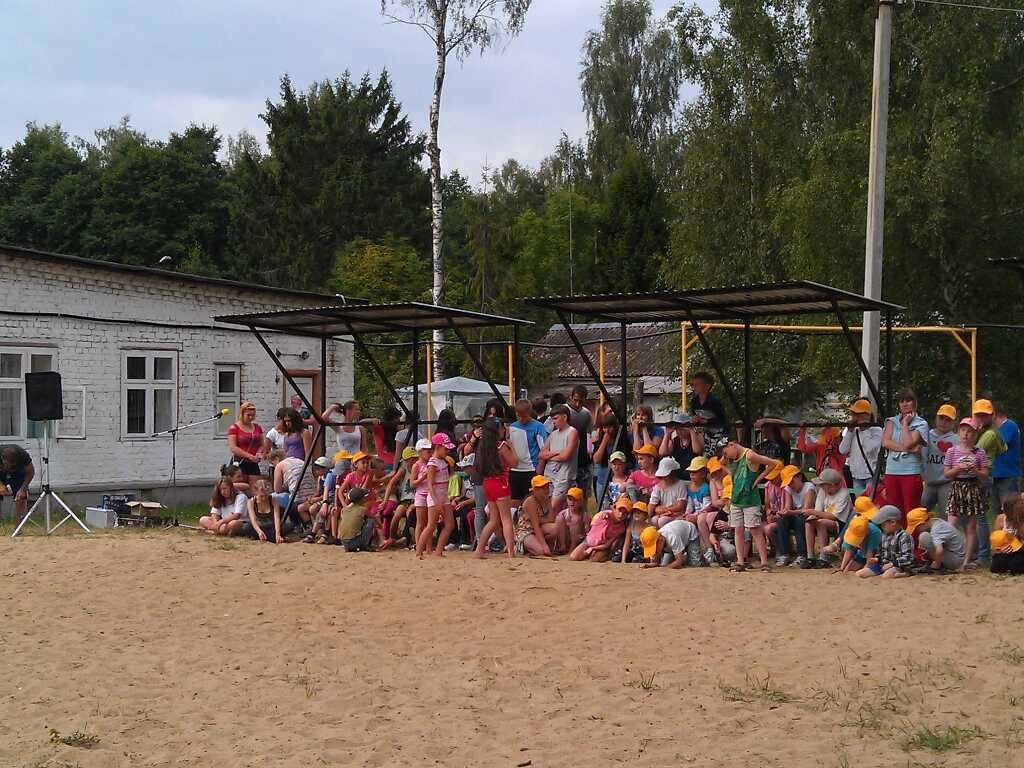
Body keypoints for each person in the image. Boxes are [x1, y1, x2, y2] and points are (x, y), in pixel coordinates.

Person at [720, 441, 778, 572]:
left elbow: (772, 463)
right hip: (736, 499)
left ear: (732, 445)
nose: (726, 456)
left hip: (750, 500)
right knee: (738, 530)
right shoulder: (732, 458)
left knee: (755, 530)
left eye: (726, 452)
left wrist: (758, 479)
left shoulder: (749, 455)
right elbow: (721, 463)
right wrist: (728, 465)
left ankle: (764, 562)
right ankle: (740, 561)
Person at [944, 417, 989, 570]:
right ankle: (949, 557)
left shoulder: (979, 452)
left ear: (975, 435)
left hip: (972, 487)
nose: (966, 434)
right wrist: (957, 469)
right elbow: (946, 474)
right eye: (963, 430)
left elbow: (985, 474)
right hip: (956, 487)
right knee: (951, 525)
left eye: (970, 431)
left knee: (971, 528)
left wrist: (975, 470)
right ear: (958, 432)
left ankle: (966, 561)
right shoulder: (952, 451)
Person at [881, 388, 929, 524]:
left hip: (911, 472)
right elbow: (885, 442)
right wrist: (910, 449)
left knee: (911, 513)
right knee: (893, 512)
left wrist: (905, 424)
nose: (905, 404)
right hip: (892, 471)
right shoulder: (891, 421)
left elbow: (908, 442)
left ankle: (913, 543)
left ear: (914, 403)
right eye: (901, 401)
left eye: (908, 400)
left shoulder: (921, 423)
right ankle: (896, 543)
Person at [473, 419, 519, 560]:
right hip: (500, 482)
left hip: (487, 483)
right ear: (496, 430)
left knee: (493, 520)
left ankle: (479, 549)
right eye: (502, 428)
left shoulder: (483, 446)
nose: (504, 431)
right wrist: (513, 448)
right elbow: (514, 462)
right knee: (506, 519)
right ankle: (511, 552)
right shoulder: (501, 446)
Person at [973, 398, 1007, 564]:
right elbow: (1003, 448)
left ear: (991, 415)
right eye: (978, 415)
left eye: (984, 415)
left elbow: (973, 452)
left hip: (981, 476)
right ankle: (980, 553)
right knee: (976, 516)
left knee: (979, 517)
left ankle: (983, 555)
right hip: (985, 475)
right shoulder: (994, 432)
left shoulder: (989, 434)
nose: (980, 418)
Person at [417, 432, 457, 558]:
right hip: (435, 497)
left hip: (443, 496)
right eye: (445, 449)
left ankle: (439, 550)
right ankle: (419, 551)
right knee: (431, 525)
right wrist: (436, 502)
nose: (447, 451)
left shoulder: (442, 461)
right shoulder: (433, 463)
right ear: (438, 447)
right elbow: (430, 485)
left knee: (450, 524)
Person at [804, 467, 853, 569]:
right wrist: (812, 516)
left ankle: (824, 557)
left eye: (823, 485)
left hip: (840, 524)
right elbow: (818, 510)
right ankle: (810, 557)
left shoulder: (844, 494)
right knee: (809, 523)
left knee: (821, 522)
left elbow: (834, 516)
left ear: (832, 485)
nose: (821, 487)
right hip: (823, 518)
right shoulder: (822, 492)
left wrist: (813, 512)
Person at [538, 405, 579, 513]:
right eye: (552, 419)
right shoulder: (552, 434)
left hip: (563, 476)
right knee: (546, 505)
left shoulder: (572, 432)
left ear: (564, 417)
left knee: (553, 507)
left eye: (555, 418)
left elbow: (566, 456)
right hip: (549, 474)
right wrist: (556, 452)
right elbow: (541, 454)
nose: (553, 422)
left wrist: (550, 455)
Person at [839, 399, 883, 494]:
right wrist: (849, 431)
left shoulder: (877, 430)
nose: (855, 417)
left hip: (870, 476)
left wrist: (865, 428)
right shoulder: (853, 431)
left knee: (871, 505)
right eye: (854, 413)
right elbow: (843, 450)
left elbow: (869, 449)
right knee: (860, 505)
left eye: (857, 414)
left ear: (867, 415)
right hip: (856, 476)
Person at [922, 404, 958, 517]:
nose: (944, 422)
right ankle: (922, 534)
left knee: (945, 515)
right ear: (936, 418)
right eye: (941, 418)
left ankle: (944, 534)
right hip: (929, 482)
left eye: (948, 420)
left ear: (953, 423)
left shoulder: (956, 440)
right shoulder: (926, 435)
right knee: (921, 512)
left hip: (947, 482)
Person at [570, 496, 629, 562]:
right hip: (588, 541)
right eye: (619, 511)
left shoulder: (621, 528)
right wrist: (603, 514)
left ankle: (605, 555)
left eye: (624, 513)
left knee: (594, 560)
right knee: (573, 558)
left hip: (602, 547)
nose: (620, 515)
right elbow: (603, 514)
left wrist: (593, 548)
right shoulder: (605, 514)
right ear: (614, 508)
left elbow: (607, 544)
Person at [508, 400, 545, 504]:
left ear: (529, 413)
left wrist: (538, 469)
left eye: (524, 416)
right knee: (514, 501)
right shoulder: (512, 427)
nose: (521, 419)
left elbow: (543, 450)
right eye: (518, 416)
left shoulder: (538, 427)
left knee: (531, 501)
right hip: (515, 471)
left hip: (531, 469)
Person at [907, 507, 965, 572]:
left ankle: (938, 565)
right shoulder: (936, 522)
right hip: (955, 555)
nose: (916, 530)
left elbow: (939, 550)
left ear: (922, 523)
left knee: (924, 537)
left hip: (954, 560)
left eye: (916, 527)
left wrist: (936, 564)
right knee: (926, 537)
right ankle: (934, 561)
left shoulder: (936, 530)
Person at [512, 476, 555, 556]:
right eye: (543, 488)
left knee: (555, 528)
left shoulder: (547, 499)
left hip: (537, 527)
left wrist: (538, 520)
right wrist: (544, 546)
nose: (546, 490)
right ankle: (523, 545)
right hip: (525, 531)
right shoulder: (531, 501)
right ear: (535, 490)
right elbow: (536, 526)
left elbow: (552, 518)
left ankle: (537, 544)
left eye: (547, 487)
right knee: (541, 551)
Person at [778, 465, 810, 568]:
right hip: (795, 514)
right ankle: (784, 553)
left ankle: (802, 554)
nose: (790, 485)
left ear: (799, 477)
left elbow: (806, 509)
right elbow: (788, 506)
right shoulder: (788, 489)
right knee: (782, 520)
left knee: (799, 520)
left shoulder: (809, 487)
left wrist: (790, 512)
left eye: (792, 481)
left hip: (808, 516)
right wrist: (784, 512)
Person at [871, 505, 915, 579]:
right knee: (861, 573)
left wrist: (892, 564)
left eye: (882, 524)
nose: (881, 527)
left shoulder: (904, 536)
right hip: (884, 564)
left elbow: (908, 557)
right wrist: (877, 559)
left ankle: (906, 574)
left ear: (893, 522)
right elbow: (882, 553)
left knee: (886, 576)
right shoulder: (884, 535)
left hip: (900, 565)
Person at [566, 385, 594, 500]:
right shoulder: (563, 410)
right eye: (575, 400)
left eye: (581, 401)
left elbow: (590, 433)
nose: (577, 404)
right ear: (571, 397)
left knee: (583, 493)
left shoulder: (586, 414)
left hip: (582, 458)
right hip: (566, 459)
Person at [198, 472, 247, 536]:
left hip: (239, 521)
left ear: (230, 487)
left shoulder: (241, 497)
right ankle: (219, 531)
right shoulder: (220, 498)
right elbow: (214, 513)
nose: (223, 492)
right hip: (223, 523)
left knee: (233, 524)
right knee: (203, 519)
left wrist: (220, 523)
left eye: (225, 489)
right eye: (220, 489)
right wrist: (216, 524)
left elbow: (237, 515)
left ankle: (214, 531)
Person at [592, 412, 629, 497]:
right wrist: (604, 441)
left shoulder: (622, 440)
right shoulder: (600, 439)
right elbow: (596, 460)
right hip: (603, 478)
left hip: (618, 478)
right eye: (605, 427)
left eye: (610, 427)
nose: (607, 430)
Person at [227, 402, 264, 484]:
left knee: (255, 487)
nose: (251, 417)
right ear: (242, 414)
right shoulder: (234, 428)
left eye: (253, 415)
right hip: (240, 462)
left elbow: (262, 444)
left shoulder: (257, 427)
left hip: (253, 463)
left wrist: (259, 453)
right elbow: (233, 448)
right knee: (240, 487)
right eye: (248, 415)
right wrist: (249, 456)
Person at [659, 412, 705, 479]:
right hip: (678, 477)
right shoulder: (675, 440)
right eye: (677, 428)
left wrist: (691, 430)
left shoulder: (697, 436)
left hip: (694, 477)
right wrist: (667, 434)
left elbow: (697, 451)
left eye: (682, 428)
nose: (680, 431)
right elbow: (662, 453)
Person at [243, 479, 290, 543]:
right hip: (260, 526)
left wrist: (277, 533)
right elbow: (253, 520)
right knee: (246, 527)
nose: (264, 498)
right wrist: (259, 531)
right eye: (261, 496)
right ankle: (268, 537)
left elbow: (277, 518)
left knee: (289, 526)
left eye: (266, 495)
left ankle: (271, 536)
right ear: (256, 492)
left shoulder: (274, 500)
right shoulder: (251, 502)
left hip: (272, 526)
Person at [689, 371, 728, 444]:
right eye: (693, 384)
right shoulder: (694, 401)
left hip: (718, 435)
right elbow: (694, 416)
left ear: (707, 386)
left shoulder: (714, 401)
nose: (694, 387)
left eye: (697, 384)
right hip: (701, 435)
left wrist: (706, 421)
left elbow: (723, 421)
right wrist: (694, 419)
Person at [0, 444, 34, 523]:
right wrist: (1, 485)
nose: (10, 468)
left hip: (18, 473)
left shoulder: (23, 456)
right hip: (1, 473)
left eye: (13, 465)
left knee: (20, 498)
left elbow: (31, 472)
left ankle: (17, 529)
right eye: (8, 465)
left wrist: (22, 489)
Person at [649, 457, 685, 527]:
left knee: (662, 521)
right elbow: (652, 503)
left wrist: (664, 509)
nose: (664, 477)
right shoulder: (658, 486)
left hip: (677, 514)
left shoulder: (680, 484)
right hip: (662, 514)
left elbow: (680, 506)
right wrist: (648, 517)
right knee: (654, 520)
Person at [337, 486, 375, 552]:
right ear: (361, 499)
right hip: (354, 542)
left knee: (359, 522)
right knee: (370, 521)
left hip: (343, 542)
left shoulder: (345, 509)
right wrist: (380, 526)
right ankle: (364, 546)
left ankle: (351, 546)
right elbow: (374, 518)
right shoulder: (363, 509)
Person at [367, 406, 402, 471]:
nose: (398, 420)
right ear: (390, 419)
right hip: (384, 465)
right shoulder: (379, 428)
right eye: (396, 418)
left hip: (398, 463)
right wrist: (373, 420)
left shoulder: (397, 431)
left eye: (398, 418)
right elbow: (362, 422)